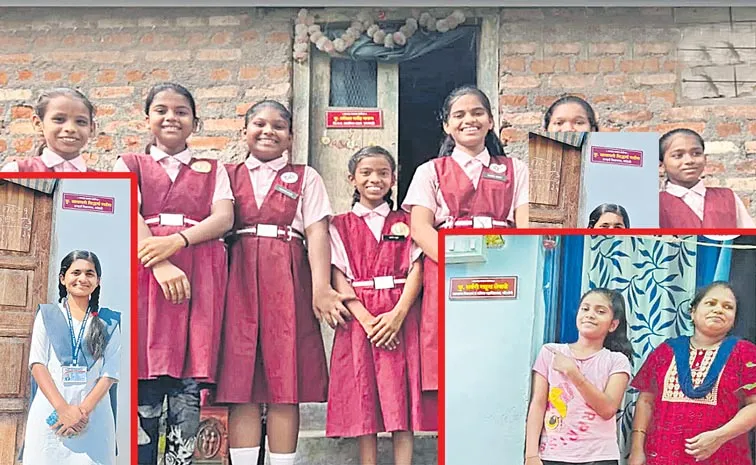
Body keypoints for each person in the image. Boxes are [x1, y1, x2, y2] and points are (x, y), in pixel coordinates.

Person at [214, 100, 354, 465]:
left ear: (291, 136)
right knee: (240, 382)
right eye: (259, 123)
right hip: (237, 277)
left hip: (287, 275)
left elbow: (317, 232)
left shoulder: (305, 176)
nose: (268, 131)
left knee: (283, 382)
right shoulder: (226, 174)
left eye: (278, 126)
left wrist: (322, 288)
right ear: (244, 131)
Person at [112, 82, 234, 465]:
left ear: (195, 122)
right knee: (145, 373)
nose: (171, 117)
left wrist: (178, 241)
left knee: (189, 381)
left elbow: (224, 218)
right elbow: (126, 212)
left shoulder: (214, 169)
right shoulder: (129, 163)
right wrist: (160, 261)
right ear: (147, 118)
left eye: (182, 111)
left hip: (199, 273)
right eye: (161, 110)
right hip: (146, 272)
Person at [402, 84, 529, 395]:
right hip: (446, 270)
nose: (468, 120)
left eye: (477, 113)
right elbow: (420, 228)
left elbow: (525, 228)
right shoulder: (429, 171)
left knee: (495, 351)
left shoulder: (515, 169)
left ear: (490, 121)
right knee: (452, 354)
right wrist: (458, 264)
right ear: (447, 125)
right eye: (459, 115)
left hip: (500, 267)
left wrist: (499, 265)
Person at [327, 145, 437, 465]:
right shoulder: (339, 224)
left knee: (401, 391)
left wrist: (398, 314)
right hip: (359, 315)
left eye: (383, 173)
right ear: (352, 179)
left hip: (401, 313)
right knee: (364, 392)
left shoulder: (408, 222)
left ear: (393, 179)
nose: (375, 179)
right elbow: (337, 274)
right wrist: (365, 318)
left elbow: (418, 268)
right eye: (366, 172)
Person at [628, 281, 756, 465]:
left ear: (734, 318)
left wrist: (719, 436)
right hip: (663, 456)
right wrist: (637, 450)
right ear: (693, 312)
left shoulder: (745, 352)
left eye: (728, 307)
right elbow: (645, 401)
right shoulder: (665, 351)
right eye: (711, 303)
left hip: (724, 457)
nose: (719, 310)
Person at [23, 250, 121, 464]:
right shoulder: (47, 315)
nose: (82, 279)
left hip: (93, 418)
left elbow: (110, 374)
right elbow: (37, 364)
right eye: (75, 272)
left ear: (98, 281)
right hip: (51, 413)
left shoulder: (109, 322)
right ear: (63, 278)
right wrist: (63, 410)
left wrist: (80, 413)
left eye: (89, 273)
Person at [525, 288, 633, 465]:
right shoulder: (550, 352)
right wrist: (531, 455)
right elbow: (538, 403)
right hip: (552, 456)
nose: (590, 315)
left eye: (600, 311)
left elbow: (607, 409)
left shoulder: (617, 361)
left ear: (613, 325)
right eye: (585, 308)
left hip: (599, 457)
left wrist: (573, 373)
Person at [658, 128, 755, 228]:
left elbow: (748, 239)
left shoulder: (728, 198)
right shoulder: (654, 204)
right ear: (661, 165)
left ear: (705, 159)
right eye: (678, 155)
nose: (689, 160)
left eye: (696, 153)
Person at [2, 88, 97, 172]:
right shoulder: (16, 172)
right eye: (59, 119)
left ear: (92, 128)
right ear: (38, 124)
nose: (70, 129)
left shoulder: (103, 182)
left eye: (81, 121)